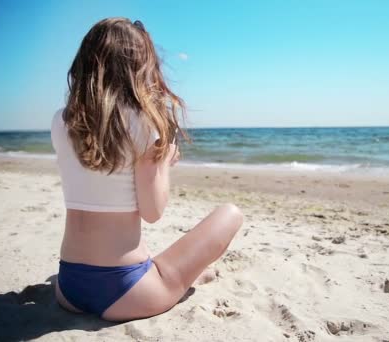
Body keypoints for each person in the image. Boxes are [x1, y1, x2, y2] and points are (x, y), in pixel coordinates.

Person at [50, 17, 244, 322]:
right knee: (231, 214)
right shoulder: (143, 122)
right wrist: (164, 163)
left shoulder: (62, 121)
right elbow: (153, 212)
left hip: (68, 286)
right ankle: (187, 278)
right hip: (126, 290)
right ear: (140, 67)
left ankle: (183, 276)